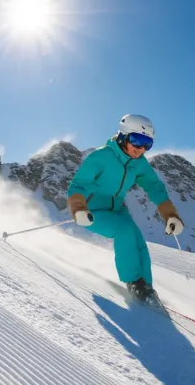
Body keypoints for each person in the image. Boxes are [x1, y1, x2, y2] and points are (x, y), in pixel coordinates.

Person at [66, 114, 184, 304]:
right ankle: (134, 283)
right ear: (123, 136)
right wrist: (78, 208)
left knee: (138, 242)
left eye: (147, 143)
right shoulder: (101, 156)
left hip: (117, 210)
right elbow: (77, 185)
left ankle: (146, 288)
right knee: (124, 231)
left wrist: (170, 215)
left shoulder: (139, 164)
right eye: (137, 141)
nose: (141, 149)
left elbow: (155, 187)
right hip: (91, 211)